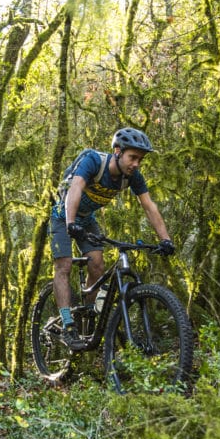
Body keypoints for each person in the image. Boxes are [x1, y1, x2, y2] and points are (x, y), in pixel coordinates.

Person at [49, 127, 174, 348]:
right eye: (132, 157)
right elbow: (75, 188)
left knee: (97, 265)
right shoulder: (93, 161)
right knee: (64, 266)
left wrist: (165, 239)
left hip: (86, 219)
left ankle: (88, 318)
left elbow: (149, 206)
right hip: (63, 215)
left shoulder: (132, 177)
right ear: (117, 151)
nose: (136, 163)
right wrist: (70, 223)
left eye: (140, 159)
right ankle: (68, 325)